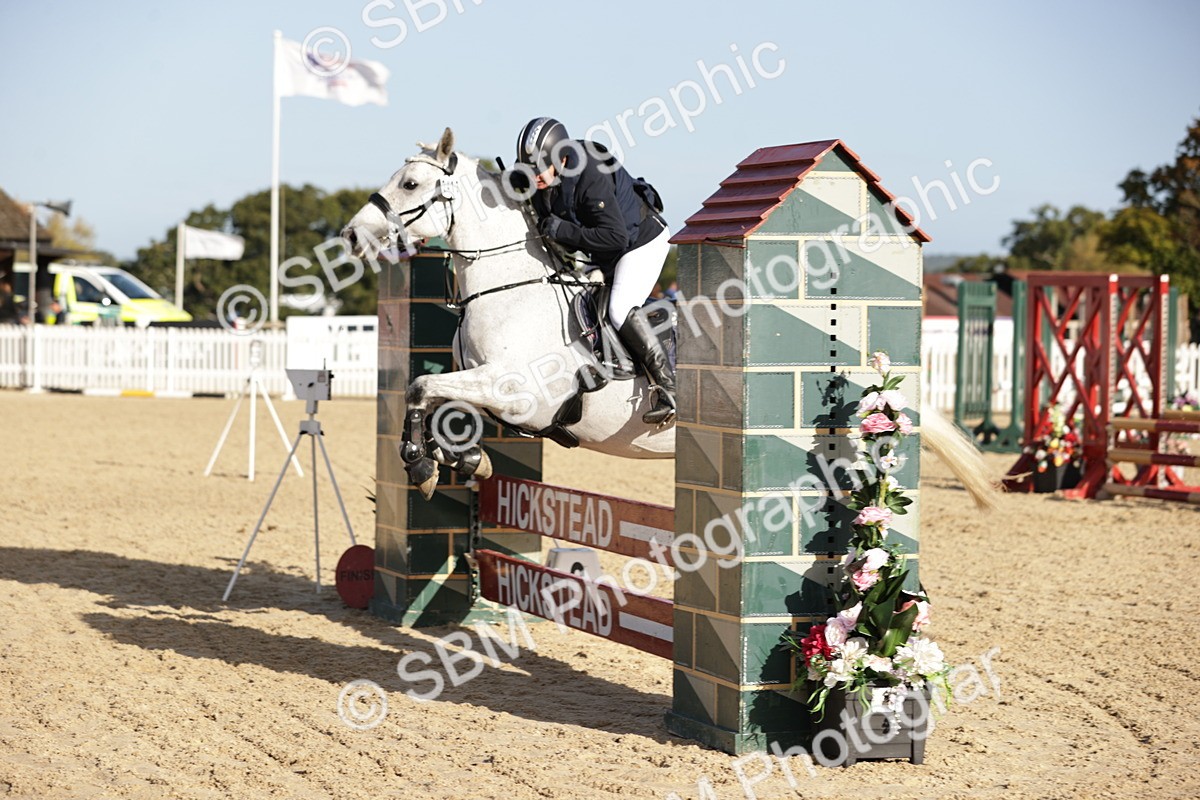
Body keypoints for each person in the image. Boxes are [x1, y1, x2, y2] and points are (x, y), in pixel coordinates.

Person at [514, 116, 675, 424]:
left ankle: (669, 388)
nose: (533, 178)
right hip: (607, 251)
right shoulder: (545, 175)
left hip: (640, 243)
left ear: (560, 158)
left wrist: (564, 231)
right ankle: (616, 363)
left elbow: (616, 238)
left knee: (619, 308)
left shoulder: (591, 173)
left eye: (537, 170)